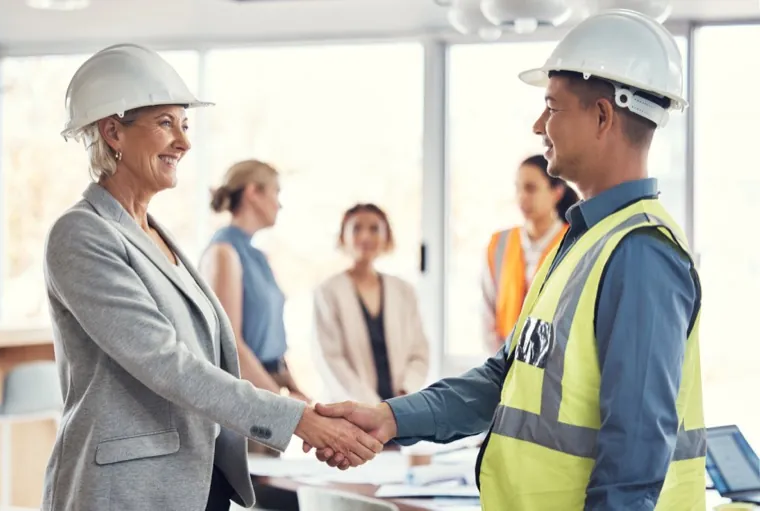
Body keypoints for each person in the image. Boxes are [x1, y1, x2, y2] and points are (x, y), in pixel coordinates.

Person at [307, 9, 706, 511]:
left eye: (552, 107)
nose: (539, 126)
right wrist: (390, 417)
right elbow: (505, 378)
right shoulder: (584, 242)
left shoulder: (640, 253)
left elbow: (635, 453)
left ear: (603, 116)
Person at [41, 44, 381, 511]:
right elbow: (166, 364)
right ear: (113, 131)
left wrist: (303, 409)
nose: (183, 142)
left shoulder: (153, 233)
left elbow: (209, 356)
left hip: (195, 480)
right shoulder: (82, 233)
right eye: (166, 123)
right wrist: (298, 418)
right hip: (127, 490)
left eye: (185, 125)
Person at [200, 159, 309, 456]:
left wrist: (293, 387)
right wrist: (282, 405)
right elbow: (231, 345)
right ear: (253, 192)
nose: (279, 204)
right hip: (248, 399)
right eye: (276, 192)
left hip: (269, 389)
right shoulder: (224, 252)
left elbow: (270, 337)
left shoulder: (259, 256)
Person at [313, 203, 430, 403]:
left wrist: (404, 393)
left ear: (387, 237)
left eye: (374, 229)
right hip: (349, 407)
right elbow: (329, 358)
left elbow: (419, 353)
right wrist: (372, 407)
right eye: (356, 229)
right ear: (343, 237)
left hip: (399, 409)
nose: (365, 237)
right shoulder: (328, 292)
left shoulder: (404, 291)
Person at [482, 154, 579, 352]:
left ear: (557, 192)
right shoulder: (499, 243)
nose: (522, 197)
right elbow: (487, 310)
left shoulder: (575, 243)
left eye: (531, 188)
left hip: (554, 362)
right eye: (518, 188)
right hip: (502, 360)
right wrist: (501, 361)